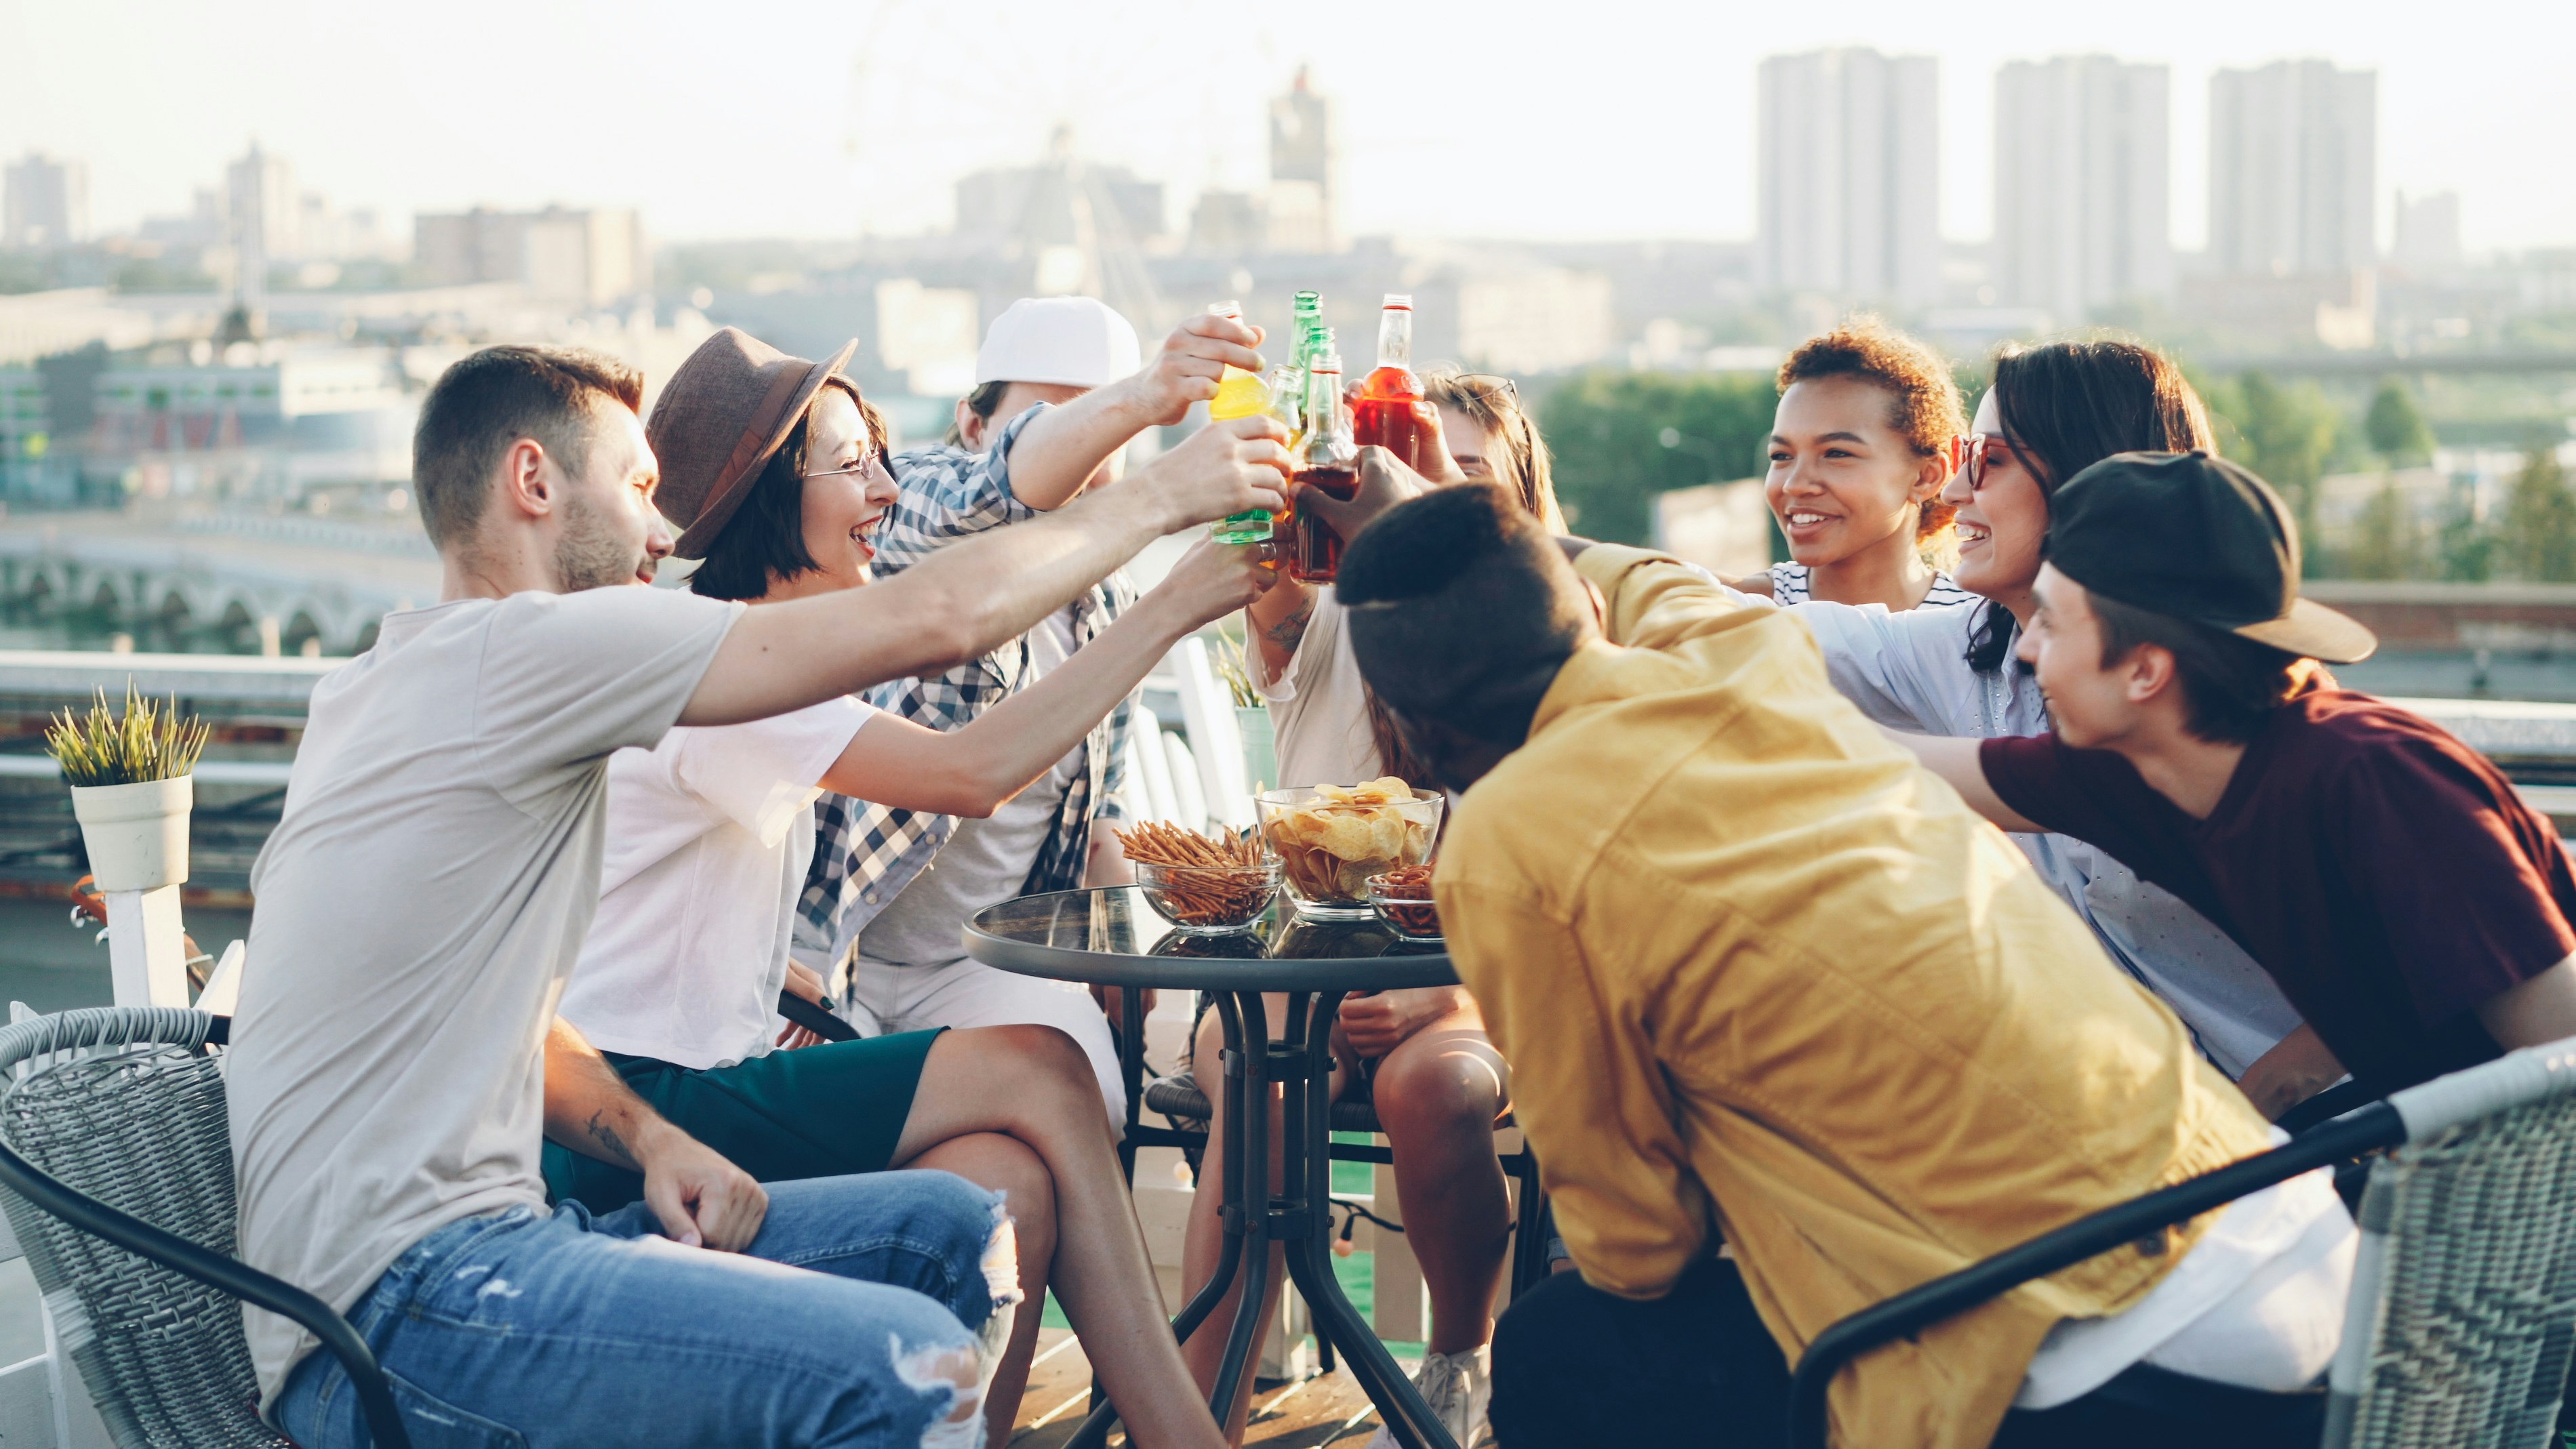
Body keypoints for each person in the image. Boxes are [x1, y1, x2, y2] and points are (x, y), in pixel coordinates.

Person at [228, 342, 1284, 1448]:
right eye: (638, 489)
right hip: (401, 1312)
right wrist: (1169, 496)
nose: (663, 532)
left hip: (497, 1238)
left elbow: (521, 1022)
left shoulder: (396, 683)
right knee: (900, 1373)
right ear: (534, 484)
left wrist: (650, 1138)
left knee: (958, 1226)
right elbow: (941, 625)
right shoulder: (529, 646)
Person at [1337, 483, 2355, 1449]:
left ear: (1420, 735)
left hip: (2118, 1356)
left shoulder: (1508, 843)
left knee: (1565, 1348)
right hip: (2289, 1240)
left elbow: (1637, 1250)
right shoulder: (1749, 663)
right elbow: (1661, 584)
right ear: (1588, 606)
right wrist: (1441, 515)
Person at [544, 327, 1274, 1444]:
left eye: (883, 454)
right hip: (634, 1110)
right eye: (852, 464)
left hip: (707, 1073)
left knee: (1008, 1182)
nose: (886, 488)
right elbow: (971, 772)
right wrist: (1167, 606)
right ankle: (1183, 1432)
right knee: (1040, 1065)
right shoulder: (713, 662)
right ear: (763, 498)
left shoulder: (758, 650)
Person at [1887, 449, 2576, 1105]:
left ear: (2145, 671)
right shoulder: (2139, 768)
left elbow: (2563, 1056)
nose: (2028, 649)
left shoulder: (2378, 783)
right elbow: (1889, 762)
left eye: (2051, 623)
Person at [1763, 339, 2308, 1099]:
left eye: (1987, 460)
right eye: (1960, 455)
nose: (1951, 490)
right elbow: (1760, 640)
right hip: (2160, 1143)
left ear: (2090, 484)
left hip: (2327, 1158)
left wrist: (2246, 1137)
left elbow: (2411, 981)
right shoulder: (1979, 650)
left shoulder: (2256, 745)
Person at [1184, 383, 1552, 1446]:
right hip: (1299, 964)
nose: (1425, 500)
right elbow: (1271, 575)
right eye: (1410, 474)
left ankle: (1457, 1360)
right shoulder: (1329, 612)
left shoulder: (1553, 651)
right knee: (1263, 1077)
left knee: (1432, 1084)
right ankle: (1199, 1408)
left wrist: (1442, 985)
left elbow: (1559, 889)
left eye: (1463, 481)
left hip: (1480, 981)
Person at [797, 296, 1262, 1126]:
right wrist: (1145, 394)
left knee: (1096, 1104)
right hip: (830, 950)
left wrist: (1157, 959)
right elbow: (1006, 487)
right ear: (972, 425)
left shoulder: (1111, 604)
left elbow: (1096, 823)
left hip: (986, 956)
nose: (1088, 451)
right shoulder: (908, 505)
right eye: (1057, 416)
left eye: (1110, 432)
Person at [1730, 321, 1975, 611]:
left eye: (1835, 453)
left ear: (1926, 476)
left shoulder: (1986, 631)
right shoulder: (1731, 613)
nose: (1794, 484)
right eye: (1782, 456)